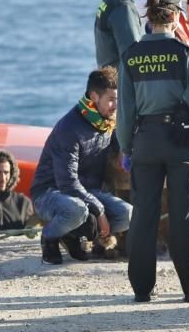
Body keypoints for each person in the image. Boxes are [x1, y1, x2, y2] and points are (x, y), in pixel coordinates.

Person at [117, 0, 189, 303]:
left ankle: (141, 289)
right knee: (183, 216)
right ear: (177, 16)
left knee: (144, 216)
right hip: (180, 142)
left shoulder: (131, 56)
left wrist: (126, 148)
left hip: (146, 142)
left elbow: (125, 110)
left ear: (147, 17)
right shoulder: (184, 55)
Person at [30, 67, 129, 265]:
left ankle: (71, 235)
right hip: (50, 192)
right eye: (111, 99)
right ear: (94, 96)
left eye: (118, 99)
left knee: (128, 215)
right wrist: (99, 211)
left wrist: (124, 149)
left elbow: (120, 141)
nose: (115, 105)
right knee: (77, 210)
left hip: (86, 192)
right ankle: (49, 237)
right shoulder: (69, 127)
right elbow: (67, 182)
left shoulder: (107, 122)